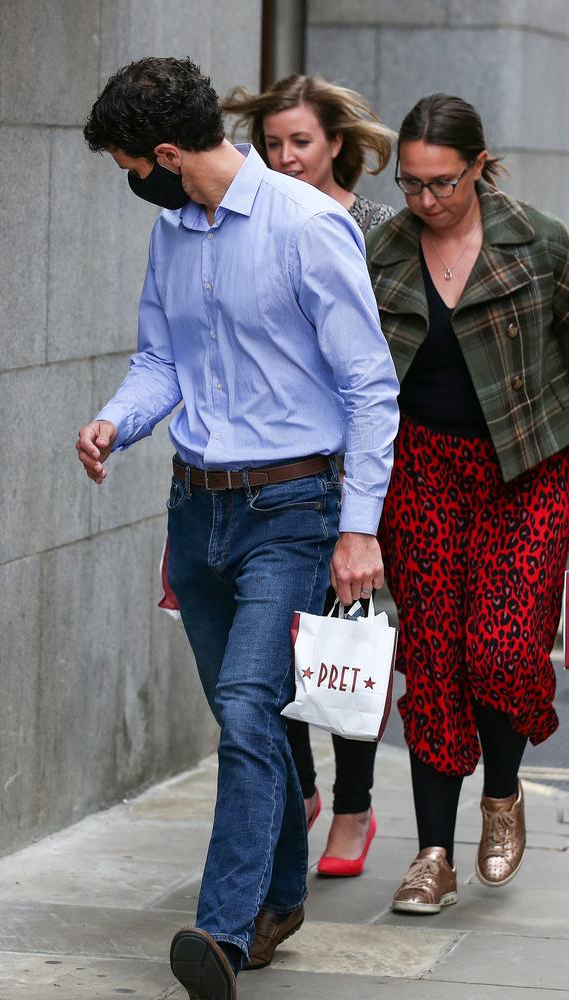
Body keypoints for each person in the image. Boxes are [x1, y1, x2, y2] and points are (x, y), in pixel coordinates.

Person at [76, 57, 399, 999]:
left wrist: (358, 527)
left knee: (252, 713)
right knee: (243, 715)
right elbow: (159, 359)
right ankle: (284, 891)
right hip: (197, 510)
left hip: (292, 512)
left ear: (168, 155)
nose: (133, 182)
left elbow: (369, 387)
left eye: (133, 165)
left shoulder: (310, 226)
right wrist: (116, 419)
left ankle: (220, 930)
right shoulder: (175, 235)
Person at [365, 93, 569, 914]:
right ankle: (432, 855)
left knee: (504, 649)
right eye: (412, 184)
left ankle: (504, 793)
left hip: (527, 469)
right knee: (437, 659)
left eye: (442, 183)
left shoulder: (542, 244)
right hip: (422, 471)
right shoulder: (383, 250)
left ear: (480, 165)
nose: (425, 200)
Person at [222, 74, 395, 877]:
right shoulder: (251, 224)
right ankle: (301, 788)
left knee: (346, 641)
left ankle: (352, 806)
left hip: (363, 465)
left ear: (337, 145)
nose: (286, 157)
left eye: (302, 141)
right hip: (276, 477)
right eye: (274, 142)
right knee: (273, 651)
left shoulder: (378, 231)